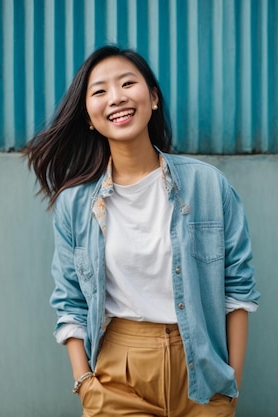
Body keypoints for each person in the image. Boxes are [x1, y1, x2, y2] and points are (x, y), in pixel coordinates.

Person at [23, 45, 260, 417]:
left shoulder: (208, 186)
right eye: (99, 91)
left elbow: (238, 291)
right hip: (118, 375)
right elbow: (70, 302)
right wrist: (85, 383)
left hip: (202, 375)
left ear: (152, 98)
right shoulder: (74, 205)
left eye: (127, 83)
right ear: (88, 115)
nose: (116, 97)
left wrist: (232, 388)